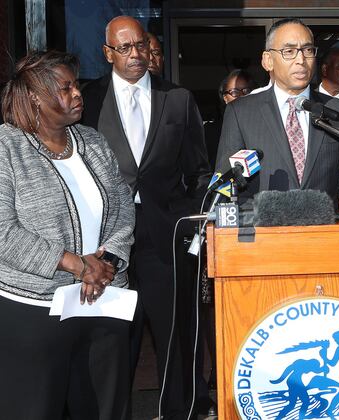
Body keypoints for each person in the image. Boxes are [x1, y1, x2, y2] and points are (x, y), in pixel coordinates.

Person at [81, 15, 213, 419]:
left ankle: (181, 411)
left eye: (140, 45)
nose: (135, 54)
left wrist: (186, 220)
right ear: (107, 53)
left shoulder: (178, 98)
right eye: (124, 47)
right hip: (106, 243)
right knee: (114, 338)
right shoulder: (88, 99)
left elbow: (198, 169)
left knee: (175, 333)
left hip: (166, 238)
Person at [0, 50, 135, 419]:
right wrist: (76, 265)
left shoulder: (91, 140)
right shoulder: (6, 147)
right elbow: (3, 232)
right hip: (33, 313)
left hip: (103, 300)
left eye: (76, 85)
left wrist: (107, 261)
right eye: (66, 88)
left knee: (104, 410)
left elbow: (123, 204)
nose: (78, 93)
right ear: (34, 98)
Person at [216, 18, 339, 214]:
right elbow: (225, 182)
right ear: (267, 60)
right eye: (289, 51)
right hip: (264, 234)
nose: (300, 60)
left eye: (307, 50)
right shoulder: (241, 112)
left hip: (322, 231)